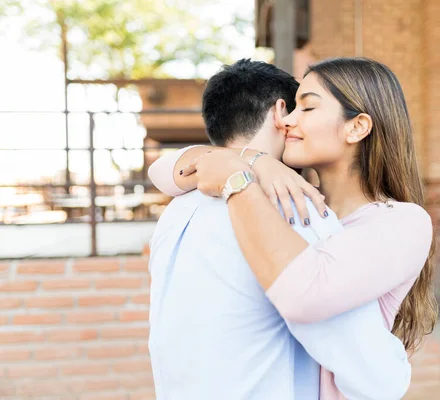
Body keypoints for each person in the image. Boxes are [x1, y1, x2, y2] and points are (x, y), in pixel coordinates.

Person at [148, 59, 411, 400]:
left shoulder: (177, 208)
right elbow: (375, 375)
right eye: (297, 108)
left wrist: (248, 161)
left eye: (310, 108)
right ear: (279, 112)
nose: (293, 121)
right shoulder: (296, 206)